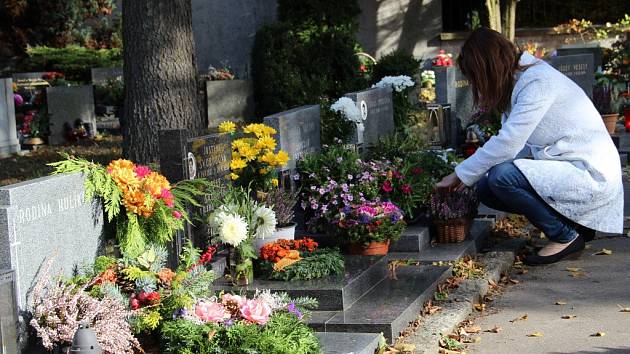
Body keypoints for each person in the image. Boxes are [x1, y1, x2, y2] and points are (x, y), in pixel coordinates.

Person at [436, 28, 623, 265]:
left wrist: (459, 173)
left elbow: (510, 142)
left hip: (590, 172)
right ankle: (573, 224)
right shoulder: (520, 81)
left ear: (489, 67)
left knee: (501, 178)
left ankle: (565, 236)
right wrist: (469, 175)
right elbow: (517, 146)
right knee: (486, 188)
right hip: (568, 165)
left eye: (477, 78)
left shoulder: (537, 81)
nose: (478, 87)